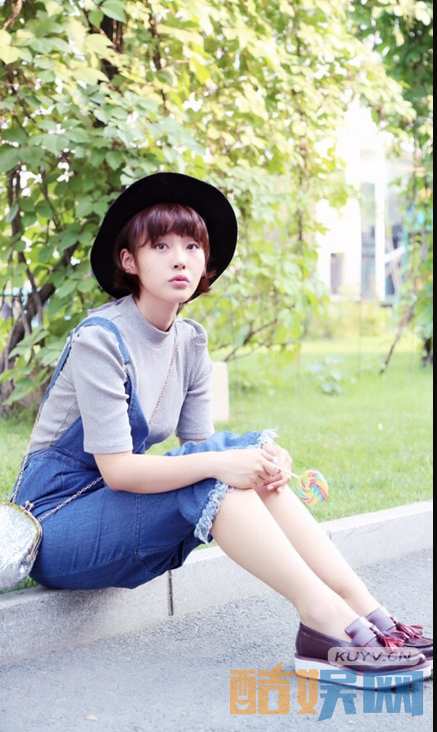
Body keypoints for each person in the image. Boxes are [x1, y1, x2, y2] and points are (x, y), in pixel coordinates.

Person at [15, 173, 432, 687]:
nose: (180, 259)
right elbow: (120, 471)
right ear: (129, 261)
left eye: (192, 246)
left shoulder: (190, 341)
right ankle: (324, 623)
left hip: (112, 509)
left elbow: (201, 447)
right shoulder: (99, 340)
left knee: (240, 462)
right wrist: (224, 463)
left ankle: (366, 611)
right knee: (218, 470)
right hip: (54, 525)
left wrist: (259, 462)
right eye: (161, 246)